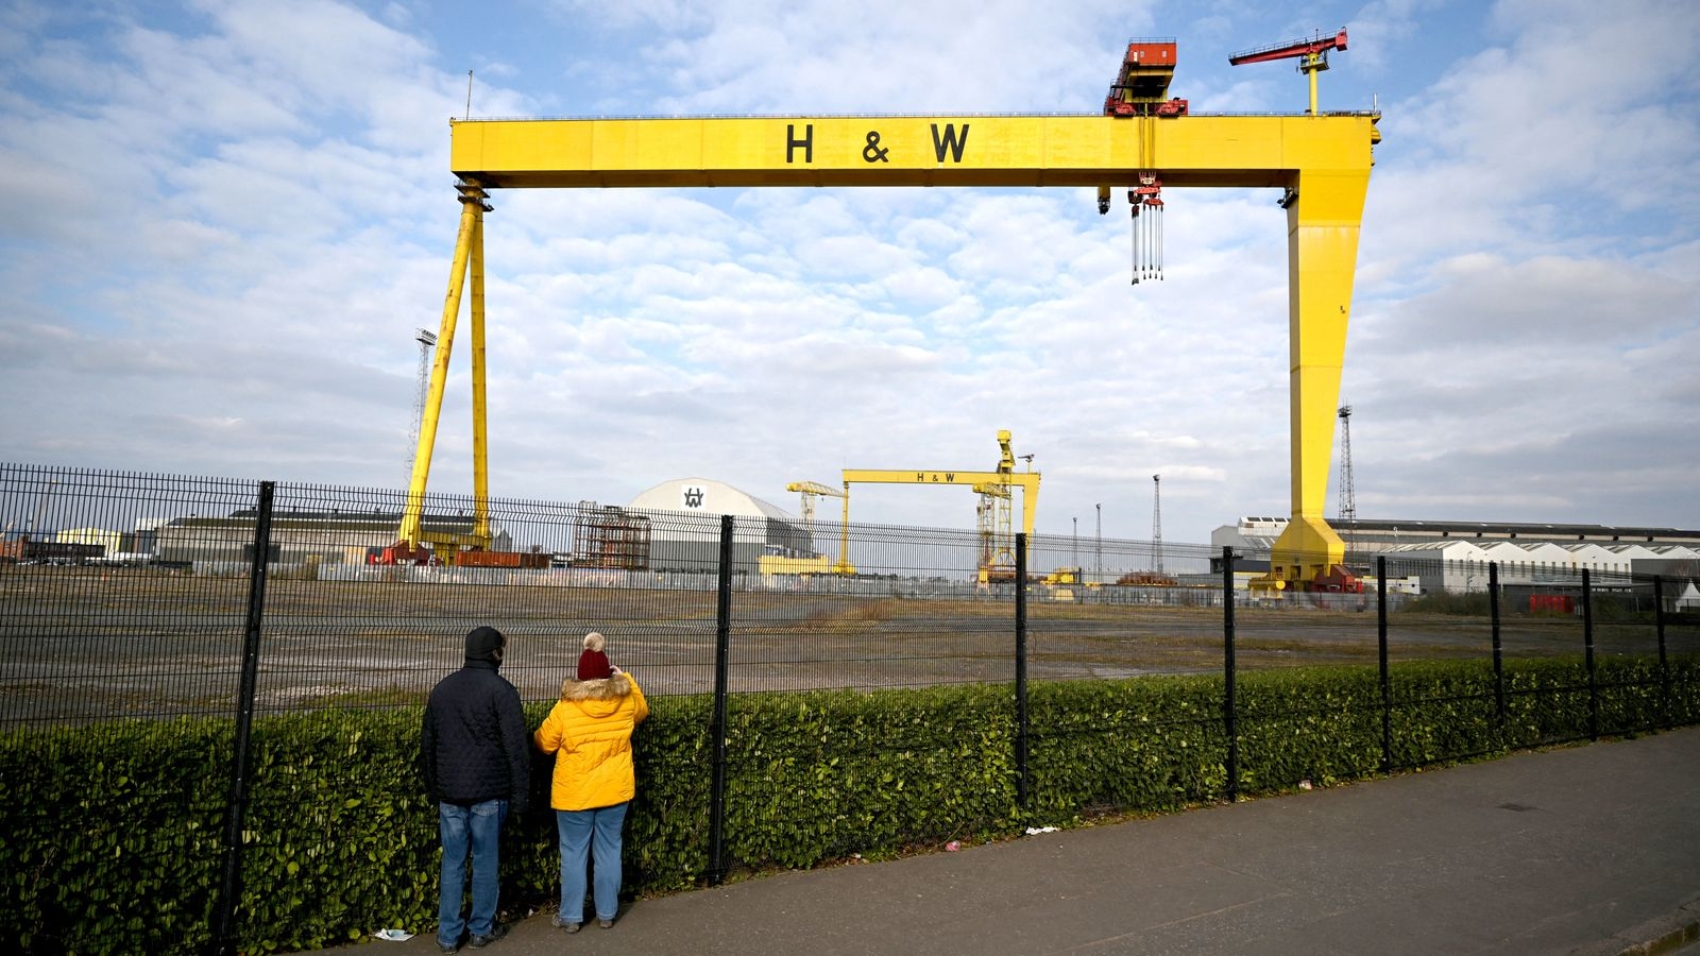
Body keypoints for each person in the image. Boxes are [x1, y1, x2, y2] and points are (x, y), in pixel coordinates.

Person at [421, 626, 530, 953]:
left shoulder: (442, 689)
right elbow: (516, 750)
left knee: (452, 862)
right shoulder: (502, 691)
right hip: (490, 794)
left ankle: (448, 934)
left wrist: (432, 788)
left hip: (450, 794)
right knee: (485, 861)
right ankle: (481, 928)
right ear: (495, 653)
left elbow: (428, 744)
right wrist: (521, 796)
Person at [535, 631, 649, 932]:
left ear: (579, 677)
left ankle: (571, 916)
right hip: (615, 791)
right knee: (609, 850)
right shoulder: (624, 703)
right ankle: (607, 913)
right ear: (608, 676)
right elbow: (642, 709)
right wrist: (627, 679)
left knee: (573, 854)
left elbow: (544, 743)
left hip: (574, 794)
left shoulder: (566, 707)